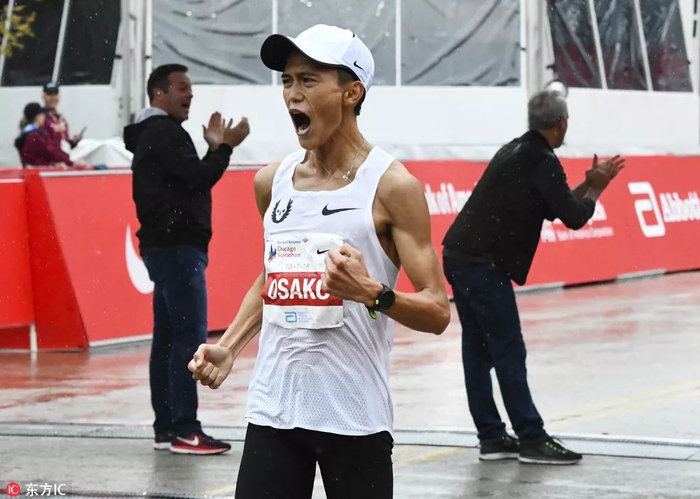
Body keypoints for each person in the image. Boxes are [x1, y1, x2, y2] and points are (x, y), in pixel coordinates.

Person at [188, 25, 450, 499]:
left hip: (354, 416)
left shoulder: (392, 186)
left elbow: (437, 311)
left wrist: (372, 293)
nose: (292, 94)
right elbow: (274, 275)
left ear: (352, 92)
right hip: (274, 410)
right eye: (287, 81)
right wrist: (229, 345)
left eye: (308, 80)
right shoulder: (271, 182)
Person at [442, 90, 625, 465]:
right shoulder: (542, 160)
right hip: (482, 264)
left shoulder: (515, 150)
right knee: (508, 348)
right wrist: (597, 188)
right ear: (561, 122)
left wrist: (588, 186)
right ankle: (531, 437)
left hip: (458, 256)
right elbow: (574, 216)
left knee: (477, 351)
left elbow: (558, 205)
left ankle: (492, 437)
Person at [124, 64, 250, 455]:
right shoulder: (164, 132)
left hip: (164, 247)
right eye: (181, 87)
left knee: (166, 339)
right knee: (187, 338)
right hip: (177, 248)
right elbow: (197, 178)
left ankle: (167, 428)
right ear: (158, 93)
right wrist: (224, 147)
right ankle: (184, 429)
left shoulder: (152, 133)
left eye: (190, 88)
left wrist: (214, 147)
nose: (190, 94)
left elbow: (186, 179)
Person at [15, 102, 72, 168]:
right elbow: (50, 152)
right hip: (38, 171)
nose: (44, 117)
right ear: (37, 117)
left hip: (31, 169)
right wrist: (71, 162)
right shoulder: (35, 135)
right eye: (43, 115)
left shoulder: (26, 133)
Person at [41, 81, 83, 151]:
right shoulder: (40, 117)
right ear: (44, 97)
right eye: (50, 95)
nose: (53, 98)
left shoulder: (60, 118)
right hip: (51, 156)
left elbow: (65, 143)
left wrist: (74, 142)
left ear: (59, 97)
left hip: (62, 154)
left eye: (55, 94)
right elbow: (39, 141)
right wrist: (53, 131)